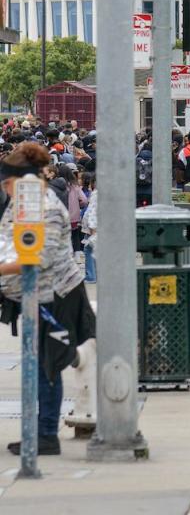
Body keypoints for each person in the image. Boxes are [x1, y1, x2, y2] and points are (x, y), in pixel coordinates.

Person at [0, 143, 94, 456]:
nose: (6, 190)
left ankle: (45, 435)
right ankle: (37, 432)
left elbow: (37, 258)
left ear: (22, 181)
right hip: (33, 296)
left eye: (7, 184)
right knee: (40, 363)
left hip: (55, 297)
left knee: (47, 366)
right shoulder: (24, 204)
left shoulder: (46, 207)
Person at [58, 163, 88, 256]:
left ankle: (65, 254)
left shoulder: (57, 186)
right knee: (75, 234)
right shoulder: (75, 186)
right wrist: (79, 205)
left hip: (61, 215)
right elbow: (84, 200)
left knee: (62, 235)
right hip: (74, 216)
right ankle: (77, 255)